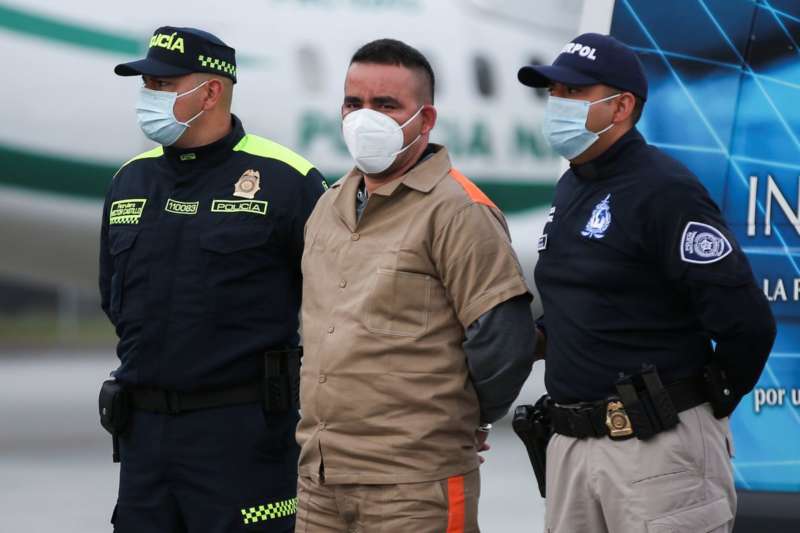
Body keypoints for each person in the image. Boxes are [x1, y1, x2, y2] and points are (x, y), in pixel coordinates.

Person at [517, 33, 776, 532]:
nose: (557, 104)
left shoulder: (664, 188)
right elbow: (591, 299)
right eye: (553, 93)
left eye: (573, 93)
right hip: (572, 449)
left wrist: (698, 405)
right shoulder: (573, 183)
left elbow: (749, 325)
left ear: (622, 107)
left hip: (655, 449)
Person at [295, 39, 537, 532]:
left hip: (412, 486)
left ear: (425, 120)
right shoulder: (328, 206)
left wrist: (462, 418)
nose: (365, 118)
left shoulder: (459, 211)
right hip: (321, 482)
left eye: (386, 106)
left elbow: (503, 342)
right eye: (353, 103)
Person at [98, 26, 326, 533]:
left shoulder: (289, 181)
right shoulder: (129, 181)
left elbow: (337, 312)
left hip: (243, 439)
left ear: (211, 91)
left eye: (163, 85)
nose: (148, 96)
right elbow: (115, 298)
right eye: (147, 85)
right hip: (144, 440)